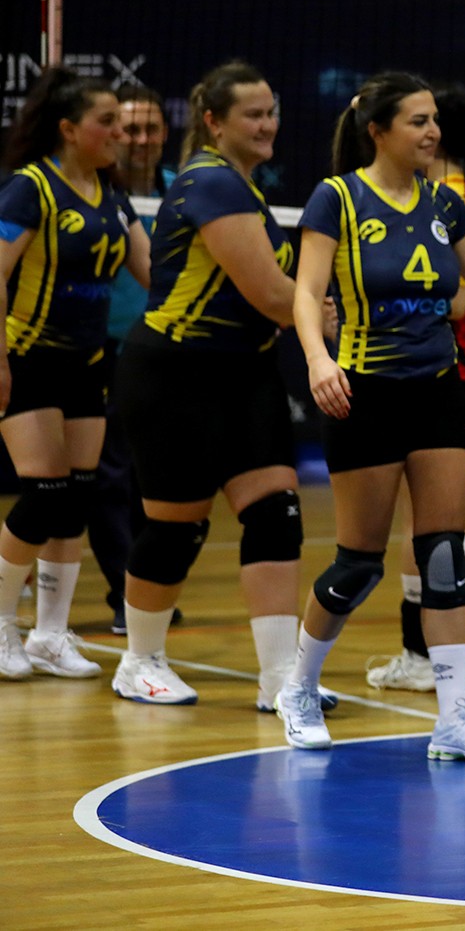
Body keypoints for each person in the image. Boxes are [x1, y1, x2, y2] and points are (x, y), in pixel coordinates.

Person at [277, 71, 465, 760]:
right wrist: (317, 360)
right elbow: (306, 293)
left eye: (434, 119)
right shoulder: (337, 199)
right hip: (364, 394)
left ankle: (453, 718)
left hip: (438, 393)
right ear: (377, 131)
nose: (433, 132)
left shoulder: (445, 204)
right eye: (417, 121)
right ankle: (298, 687)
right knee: (358, 563)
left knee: (442, 556)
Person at [109, 62, 319, 710]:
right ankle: (139, 661)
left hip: (246, 371)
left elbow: (281, 299)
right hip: (176, 373)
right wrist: (325, 312)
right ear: (213, 122)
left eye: (271, 112)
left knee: (276, 515)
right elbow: (273, 296)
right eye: (252, 114)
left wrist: (310, 306)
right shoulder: (211, 182)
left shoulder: (243, 188)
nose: (267, 124)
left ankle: (280, 677)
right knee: (177, 527)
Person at [365, 83, 465, 693]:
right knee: (432, 512)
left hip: (452, 370)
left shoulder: (440, 197)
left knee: (430, 516)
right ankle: (435, 641)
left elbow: (458, 297)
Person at [0, 66, 149, 680]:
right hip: (28, 358)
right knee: (44, 495)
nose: (121, 133)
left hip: (87, 364)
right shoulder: (30, 189)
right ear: (68, 129)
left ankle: (50, 635)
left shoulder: (112, 196)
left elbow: (154, 273)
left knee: (77, 498)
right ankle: (1, 624)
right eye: (107, 122)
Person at [96, 84, 178, 634]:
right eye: (129, 129)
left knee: (160, 479)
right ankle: (124, 591)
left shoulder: (185, 191)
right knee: (108, 479)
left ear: (165, 133)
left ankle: (149, 590)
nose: (140, 139)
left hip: (166, 351)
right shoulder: (94, 194)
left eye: (150, 128)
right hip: (102, 350)